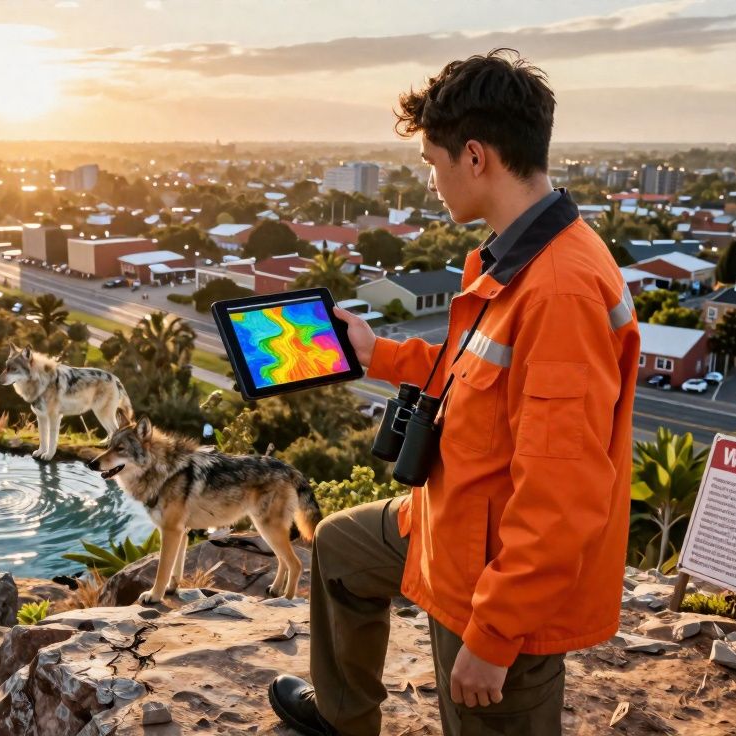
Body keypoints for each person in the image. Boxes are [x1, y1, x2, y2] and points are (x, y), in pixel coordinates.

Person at [268, 49, 640, 736]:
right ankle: (344, 716)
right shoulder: (514, 256)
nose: (432, 183)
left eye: (432, 163)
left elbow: (563, 496)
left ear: (475, 157)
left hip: (496, 575)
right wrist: (379, 354)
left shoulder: (560, 291)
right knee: (342, 551)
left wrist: (494, 636)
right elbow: (478, 375)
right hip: (446, 521)